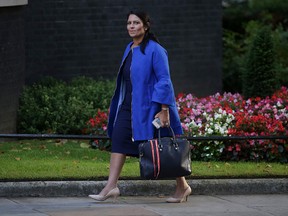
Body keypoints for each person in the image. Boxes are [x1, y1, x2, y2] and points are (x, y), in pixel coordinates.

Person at [88, 10, 191, 203]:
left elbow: (164, 80)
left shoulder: (155, 50)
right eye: (129, 23)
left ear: (145, 26)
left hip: (151, 108)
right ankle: (111, 186)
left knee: (165, 144)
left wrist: (164, 109)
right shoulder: (129, 48)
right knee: (118, 138)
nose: (132, 26)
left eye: (136, 23)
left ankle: (182, 186)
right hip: (128, 106)